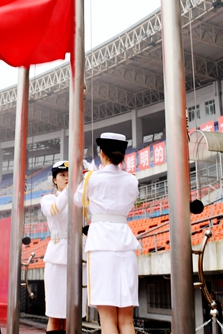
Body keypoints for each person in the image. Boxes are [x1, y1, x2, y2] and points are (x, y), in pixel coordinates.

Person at [74, 132, 140, 334]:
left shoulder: (91, 178)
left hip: (102, 246)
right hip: (125, 244)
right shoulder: (132, 180)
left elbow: (77, 201)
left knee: (107, 319)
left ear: (102, 153)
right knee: (127, 320)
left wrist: (91, 175)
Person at [40, 160, 89, 333]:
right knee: (55, 315)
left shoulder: (81, 198)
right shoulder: (48, 199)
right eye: (62, 175)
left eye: (70, 175)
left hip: (78, 257)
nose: (66, 178)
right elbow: (55, 210)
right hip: (57, 257)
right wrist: (70, 189)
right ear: (55, 180)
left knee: (73, 316)